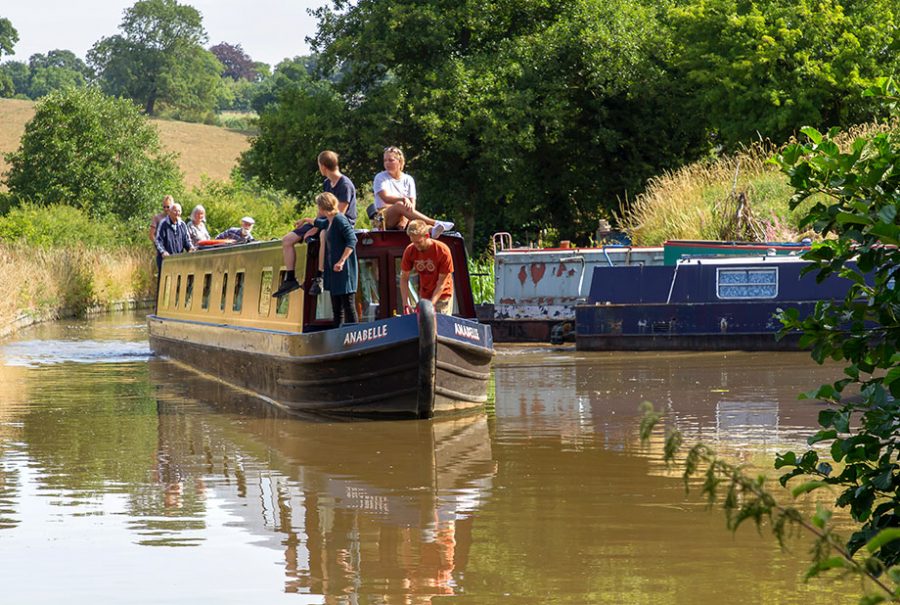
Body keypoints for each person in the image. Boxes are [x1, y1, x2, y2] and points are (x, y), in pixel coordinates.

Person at [273, 150, 357, 298]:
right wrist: (314, 226)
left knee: (324, 234)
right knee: (287, 240)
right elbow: (322, 210)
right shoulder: (327, 183)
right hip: (325, 220)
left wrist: (318, 228)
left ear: (323, 166)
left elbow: (340, 215)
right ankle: (290, 278)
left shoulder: (345, 185)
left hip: (340, 223)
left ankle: (320, 276)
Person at [373, 146, 453, 237]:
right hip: (383, 217)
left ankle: (432, 229)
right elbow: (386, 198)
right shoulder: (380, 177)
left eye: (391, 160)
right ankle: (435, 222)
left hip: (405, 216)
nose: (387, 163)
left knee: (414, 220)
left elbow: (411, 206)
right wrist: (403, 199)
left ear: (400, 161)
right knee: (399, 204)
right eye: (385, 160)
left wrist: (405, 220)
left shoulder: (408, 179)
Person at [315, 192, 358, 327]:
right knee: (337, 308)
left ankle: (354, 335)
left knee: (348, 305)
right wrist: (305, 220)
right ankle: (338, 336)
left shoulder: (339, 219)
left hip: (343, 271)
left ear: (322, 207)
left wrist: (341, 261)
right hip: (334, 272)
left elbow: (352, 240)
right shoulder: (330, 220)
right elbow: (320, 223)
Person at [399, 219, 454, 315]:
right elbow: (404, 278)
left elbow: (441, 283)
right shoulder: (410, 251)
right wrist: (405, 303)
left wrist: (431, 305)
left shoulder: (442, 251)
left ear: (427, 236)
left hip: (442, 295)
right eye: (413, 242)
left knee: (438, 325)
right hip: (425, 295)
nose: (416, 245)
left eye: (419, 242)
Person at [154, 203, 195, 269]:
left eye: (179, 211)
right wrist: (163, 252)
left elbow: (187, 240)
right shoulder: (163, 224)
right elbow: (158, 241)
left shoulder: (182, 224)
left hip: (178, 260)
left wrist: (190, 248)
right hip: (165, 260)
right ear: (170, 212)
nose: (177, 213)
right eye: (175, 211)